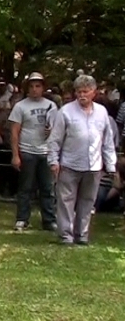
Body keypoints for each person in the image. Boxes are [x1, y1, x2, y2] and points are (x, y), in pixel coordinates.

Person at [47, 75, 117, 245]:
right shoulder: (66, 111)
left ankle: (82, 235)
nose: (82, 95)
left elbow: (107, 141)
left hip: (93, 165)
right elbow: (55, 139)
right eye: (78, 92)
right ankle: (65, 235)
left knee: (87, 202)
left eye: (85, 91)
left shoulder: (102, 112)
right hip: (69, 164)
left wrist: (111, 164)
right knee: (66, 201)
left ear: (94, 92)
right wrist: (53, 160)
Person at [9, 72, 58, 231]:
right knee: (25, 187)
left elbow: (58, 129)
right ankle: (22, 218)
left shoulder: (51, 105)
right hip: (27, 150)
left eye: (38, 86)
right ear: (27, 88)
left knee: (47, 188)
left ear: (43, 87)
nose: (35, 89)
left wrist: (51, 132)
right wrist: (15, 155)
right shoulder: (20, 106)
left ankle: (49, 220)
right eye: (32, 86)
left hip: (46, 151)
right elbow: (14, 131)